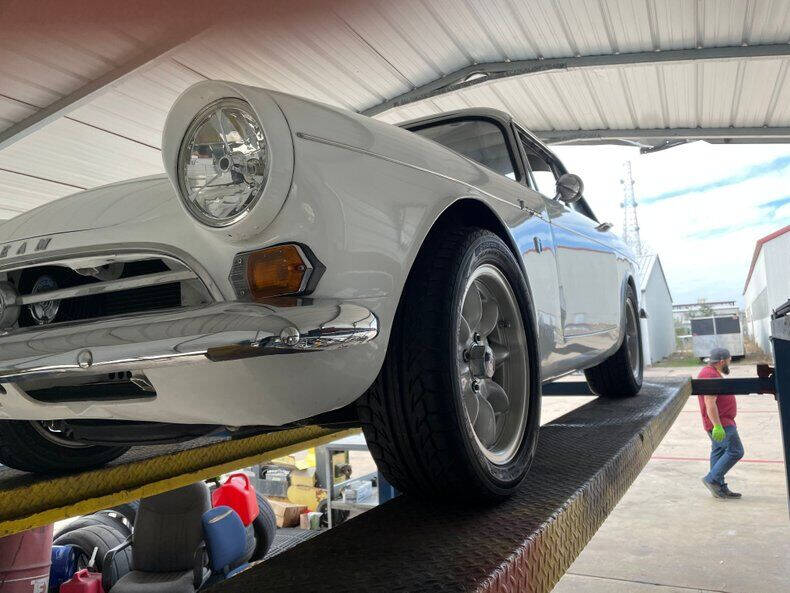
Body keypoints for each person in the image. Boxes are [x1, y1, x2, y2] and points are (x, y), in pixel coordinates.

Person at [698, 347, 743, 499]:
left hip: (722, 421)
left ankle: (719, 487)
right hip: (721, 423)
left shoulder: (711, 372)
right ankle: (712, 479)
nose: (729, 364)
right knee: (736, 450)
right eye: (729, 361)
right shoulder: (709, 374)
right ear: (722, 361)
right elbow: (710, 402)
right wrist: (717, 425)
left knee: (718, 452)